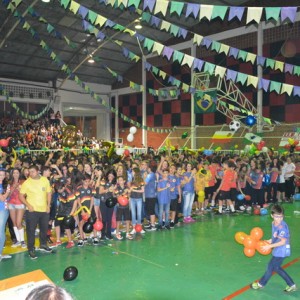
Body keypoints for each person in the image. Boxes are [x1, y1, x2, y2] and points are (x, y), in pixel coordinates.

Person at [251, 204, 297, 292]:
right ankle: (291, 284)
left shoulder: (282, 227)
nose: (279, 219)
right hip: (278, 249)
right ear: (272, 216)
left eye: (281, 217)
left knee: (270, 267)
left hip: (282, 250)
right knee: (276, 268)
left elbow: (283, 241)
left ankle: (260, 284)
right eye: (277, 217)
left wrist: (269, 246)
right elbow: (276, 236)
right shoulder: (273, 223)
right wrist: (270, 240)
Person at [19, 165, 53, 259]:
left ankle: (43, 244)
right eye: (29, 171)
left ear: (38, 171)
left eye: (33, 171)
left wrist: (48, 205)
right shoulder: (27, 182)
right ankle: (31, 248)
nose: (30, 173)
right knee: (30, 230)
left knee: (44, 229)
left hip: (44, 210)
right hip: (32, 211)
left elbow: (49, 193)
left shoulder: (45, 180)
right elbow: (21, 196)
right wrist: (28, 205)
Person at [8, 168, 26, 248]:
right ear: (12, 174)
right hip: (11, 204)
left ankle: (22, 241)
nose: (15, 174)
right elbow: (8, 196)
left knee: (19, 223)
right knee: (14, 223)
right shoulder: (9, 183)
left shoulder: (23, 182)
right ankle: (18, 240)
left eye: (17, 173)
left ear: (19, 174)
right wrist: (13, 188)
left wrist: (19, 189)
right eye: (14, 173)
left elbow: (25, 194)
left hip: (20, 204)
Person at [0, 168, 12, 261]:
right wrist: (7, 191)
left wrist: (7, 192)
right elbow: (3, 198)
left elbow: (4, 199)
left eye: (3, 175)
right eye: (0, 175)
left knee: (1, 232)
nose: (2, 177)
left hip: (3, 210)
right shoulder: (4, 186)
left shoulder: (4, 185)